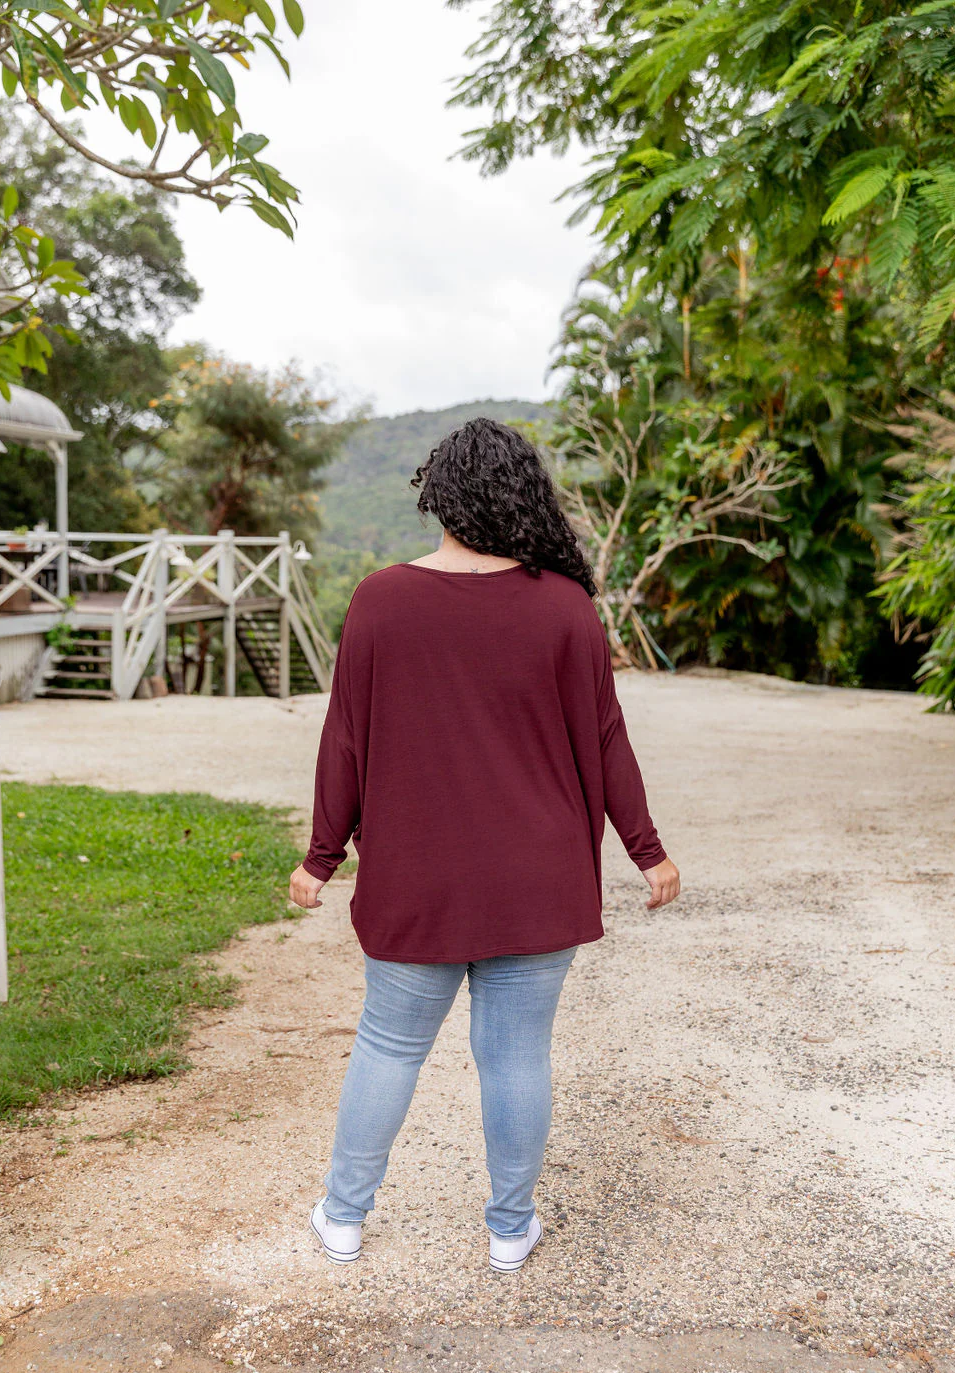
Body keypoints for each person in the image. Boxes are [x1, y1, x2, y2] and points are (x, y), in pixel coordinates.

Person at [289, 417, 679, 1272]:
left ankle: (345, 1218)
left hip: (416, 879)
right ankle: (510, 1232)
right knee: (515, 1058)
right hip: (536, 881)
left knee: (389, 1046)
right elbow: (606, 738)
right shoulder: (566, 607)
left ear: (438, 496)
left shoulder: (381, 600)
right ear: (523, 497)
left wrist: (320, 858)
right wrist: (647, 850)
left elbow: (344, 740)